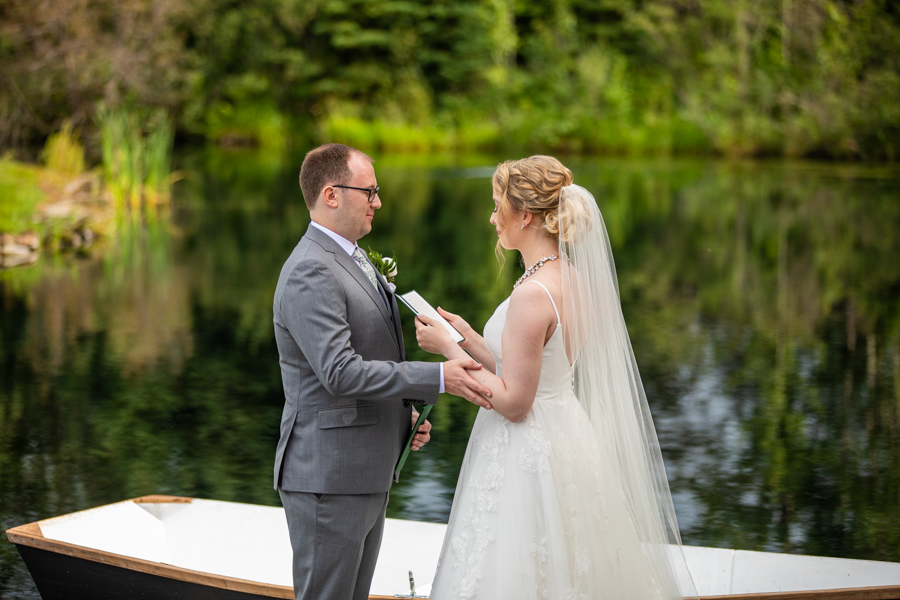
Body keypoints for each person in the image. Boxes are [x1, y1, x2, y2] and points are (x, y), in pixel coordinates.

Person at [415, 156, 697, 599]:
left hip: (525, 450)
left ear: (524, 215)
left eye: (497, 206)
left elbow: (514, 403)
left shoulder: (532, 294)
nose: (492, 218)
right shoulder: (570, 278)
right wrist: (468, 338)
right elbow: (531, 370)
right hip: (565, 434)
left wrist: (447, 350)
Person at [272, 143, 493, 600]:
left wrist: (403, 416)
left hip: (365, 471)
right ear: (331, 195)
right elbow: (339, 372)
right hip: (328, 478)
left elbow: (370, 358)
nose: (378, 201)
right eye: (369, 191)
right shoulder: (310, 269)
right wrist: (438, 377)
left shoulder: (351, 258)